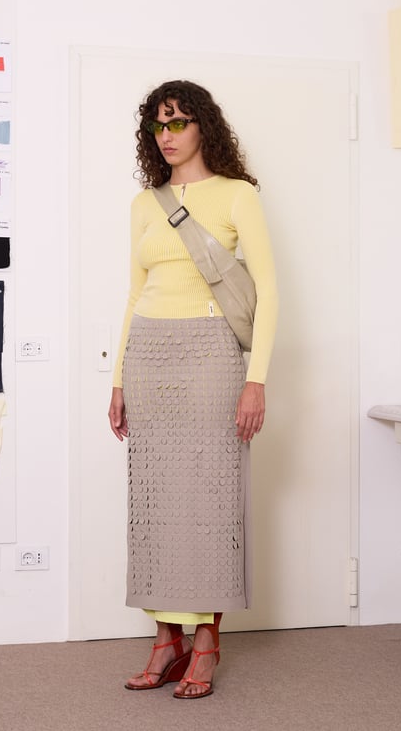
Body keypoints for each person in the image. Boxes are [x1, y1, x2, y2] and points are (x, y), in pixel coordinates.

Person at [108, 80, 278, 699]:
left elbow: (269, 292)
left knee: (211, 502)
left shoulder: (237, 194)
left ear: (204, 126)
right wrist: (118, 378)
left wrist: (255, 379)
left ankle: (205, 639)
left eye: (179, 122)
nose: (168, 134)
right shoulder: (143, 203)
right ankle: (165, 639)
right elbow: (134, 294)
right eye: (159, 125)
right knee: (154, 504)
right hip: (149, 356)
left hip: (211, 357)